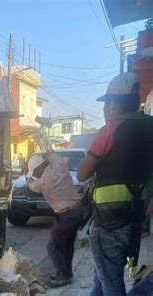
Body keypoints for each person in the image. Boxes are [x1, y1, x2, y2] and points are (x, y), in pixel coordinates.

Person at [78, 73, 153, 296]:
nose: (104, 111)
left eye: (105, 105)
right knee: (102, 275)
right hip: (136, 218)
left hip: (109, 221)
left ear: (113, 105)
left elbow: (82, 174)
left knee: (111, 281)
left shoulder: (110, 130)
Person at [26, 143, 83, 287]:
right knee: (68, 243)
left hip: (66, 214)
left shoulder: (43, 182)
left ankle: (63, 274)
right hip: (77, 210)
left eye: (35, 171)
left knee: (53, 246)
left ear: (40, 168)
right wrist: (45, 145)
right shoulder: (59, 164)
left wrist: (27, 178)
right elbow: (53, 154)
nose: (35, 174)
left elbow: (31, 185)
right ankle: (67, 272)